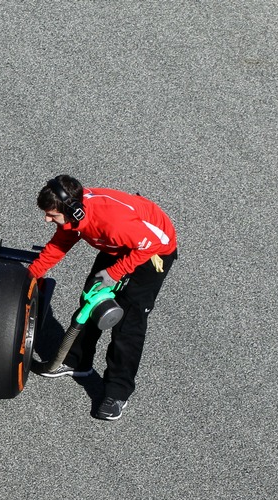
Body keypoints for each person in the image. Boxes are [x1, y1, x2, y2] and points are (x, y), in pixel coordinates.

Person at [27, 174, 179, 421]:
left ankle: (118, 393)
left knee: (128, 323)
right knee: (91, 300)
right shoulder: (74, 215)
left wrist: (115, 272)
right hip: (120, 245)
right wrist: (30, 276)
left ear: (74, 210)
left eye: (52, 215)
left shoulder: (113, 222)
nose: (47, 219)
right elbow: (58, 245)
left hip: (152, 252)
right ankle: (77, 363)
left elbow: (154, 243)